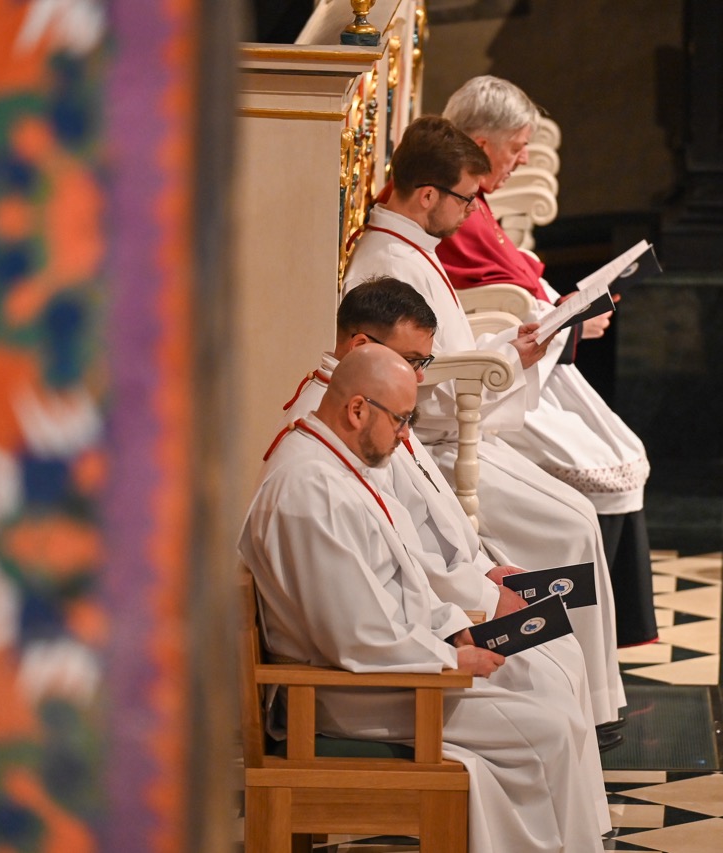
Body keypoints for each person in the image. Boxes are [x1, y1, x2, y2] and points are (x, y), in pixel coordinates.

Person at [239, 344, 611, 852]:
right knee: (546, 731)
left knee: (547, 692)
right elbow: (357, 637)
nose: (404, 435)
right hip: (350, 692)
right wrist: (451, 657)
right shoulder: (309, 491)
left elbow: (397, 583)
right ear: (357, 409)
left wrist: (455, 628)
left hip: (389, 671)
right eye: (400, 419)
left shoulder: (335, 464)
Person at [343, 116, 628, 722]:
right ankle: (568, 699)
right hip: (435, 442)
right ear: (428, 195)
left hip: (456, 426)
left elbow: (442, 354)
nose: (472, 212)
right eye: (466, 199)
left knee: (578, 517)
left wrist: (508, 346)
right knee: (572, 526)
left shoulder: (411, 248)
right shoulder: (387, 261)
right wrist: (509, 357)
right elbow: (420, 383)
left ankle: (585, 698)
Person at [270, 276, 625, 746]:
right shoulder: (330, 455)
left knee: (556, 667)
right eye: (414, 361)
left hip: (409, 643)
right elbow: (365, 614)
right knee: (548, 717)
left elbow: (406, 546)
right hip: (369, 684)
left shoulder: (365, 413)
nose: (421, 377)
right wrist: (457, 637)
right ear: (361, 350)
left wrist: (479, 586)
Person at [436, 80, 660, 648]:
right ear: (481, 145)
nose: (524, 160)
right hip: (491, 386)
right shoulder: (452, 209)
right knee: (600, 475)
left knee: (622, 454)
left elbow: (509, 275)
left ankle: (610, 633)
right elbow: (483, 308)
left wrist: (566, 311)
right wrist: (571, 324)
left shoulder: (468, 200)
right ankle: (584, 636)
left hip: (516, 364)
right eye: (517, 148)